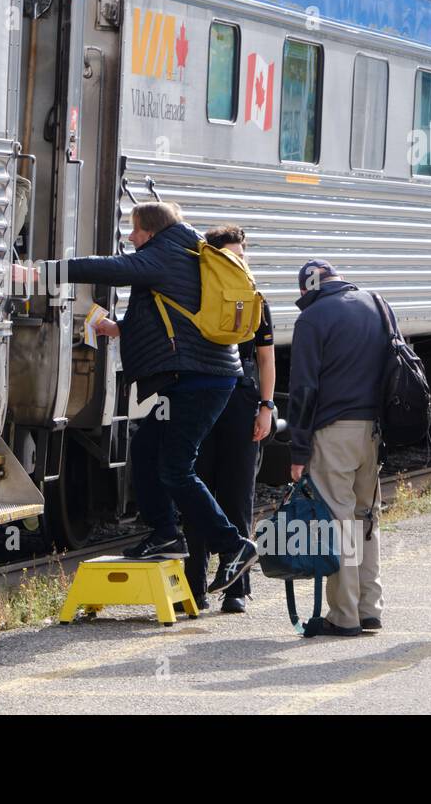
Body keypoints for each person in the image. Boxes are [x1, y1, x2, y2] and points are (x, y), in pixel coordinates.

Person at [43, 202, 258, 588]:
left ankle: (233, 545)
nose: (130, 238)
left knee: (176, 468)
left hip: (201, 381)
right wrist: (119, 328)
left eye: (134, 230)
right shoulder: (183, 250)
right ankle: (166, 534)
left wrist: (49, 270)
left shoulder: (166, 252)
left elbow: (112, 268)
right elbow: (174, 318)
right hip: (193, 378)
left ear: (151, 231)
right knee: (144, 451)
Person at [287, 259, 389, 636]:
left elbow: (303, 390)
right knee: (367, 518)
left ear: (306, 290)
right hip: (374, 431)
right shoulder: (376, 304)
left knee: (339, 520)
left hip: (335, 432)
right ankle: (369, 608)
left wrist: (298, 452)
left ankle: (344, 615)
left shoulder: (312, 318)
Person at [184, 225, 276, 613]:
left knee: (238, 492)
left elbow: (266, 356)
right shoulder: (196, 295)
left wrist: (267, 407)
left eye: (243, 255)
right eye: (231, 256)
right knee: (198, 490)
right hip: (200, 401)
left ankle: (237, 586)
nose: (239, 261)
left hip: (240, 402)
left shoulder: (255, 299)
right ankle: (195, 585)